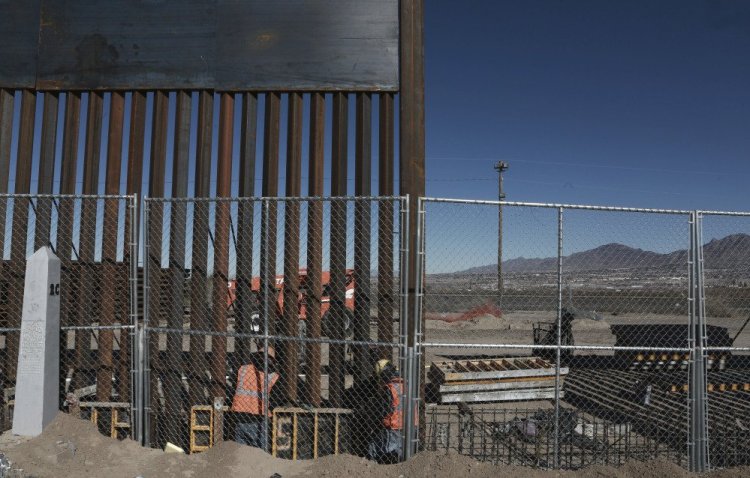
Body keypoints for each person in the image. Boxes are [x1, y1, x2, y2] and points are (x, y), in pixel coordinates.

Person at [231, 345, 279, 449]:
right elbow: (276, 399)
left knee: (241, 452)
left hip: (240, 417)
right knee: (259, 453)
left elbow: (233, 389)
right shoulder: (272, 376)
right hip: (258, 420)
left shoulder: (243, 369)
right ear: (271, 360)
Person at [366, 359, 409, 463]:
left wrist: (374, 421)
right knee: (401, 452)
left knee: (373, 449)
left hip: (394, 427)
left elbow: (385, 410)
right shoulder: (406, 384)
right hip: (410, 426)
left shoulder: (390, 389)